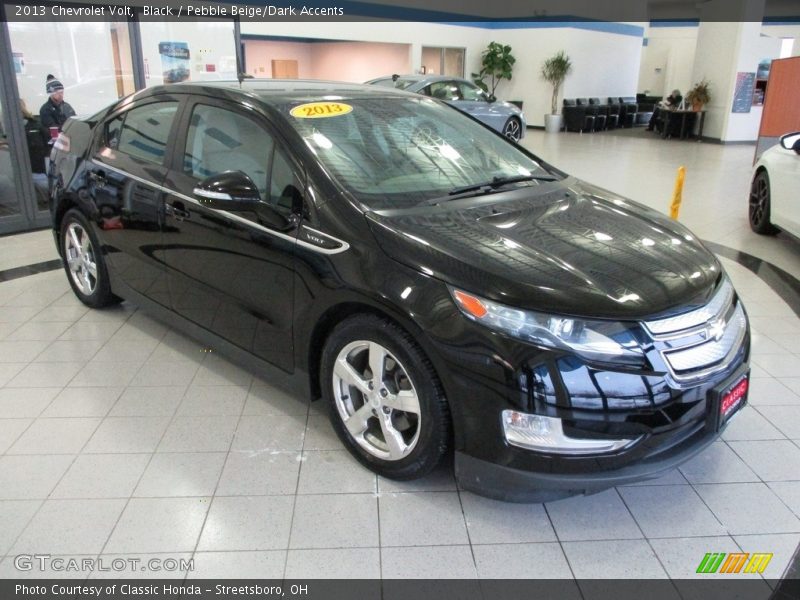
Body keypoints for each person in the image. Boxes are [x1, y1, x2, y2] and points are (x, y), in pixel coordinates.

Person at [38, 75, 75, 141]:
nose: (60, 95)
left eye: (62, 92)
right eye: (57, 92)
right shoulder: (45, 110)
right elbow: (53, 129)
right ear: (51, 93)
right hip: (57, 142)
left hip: (71, 138)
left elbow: (75, 120)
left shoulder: (67, 106)